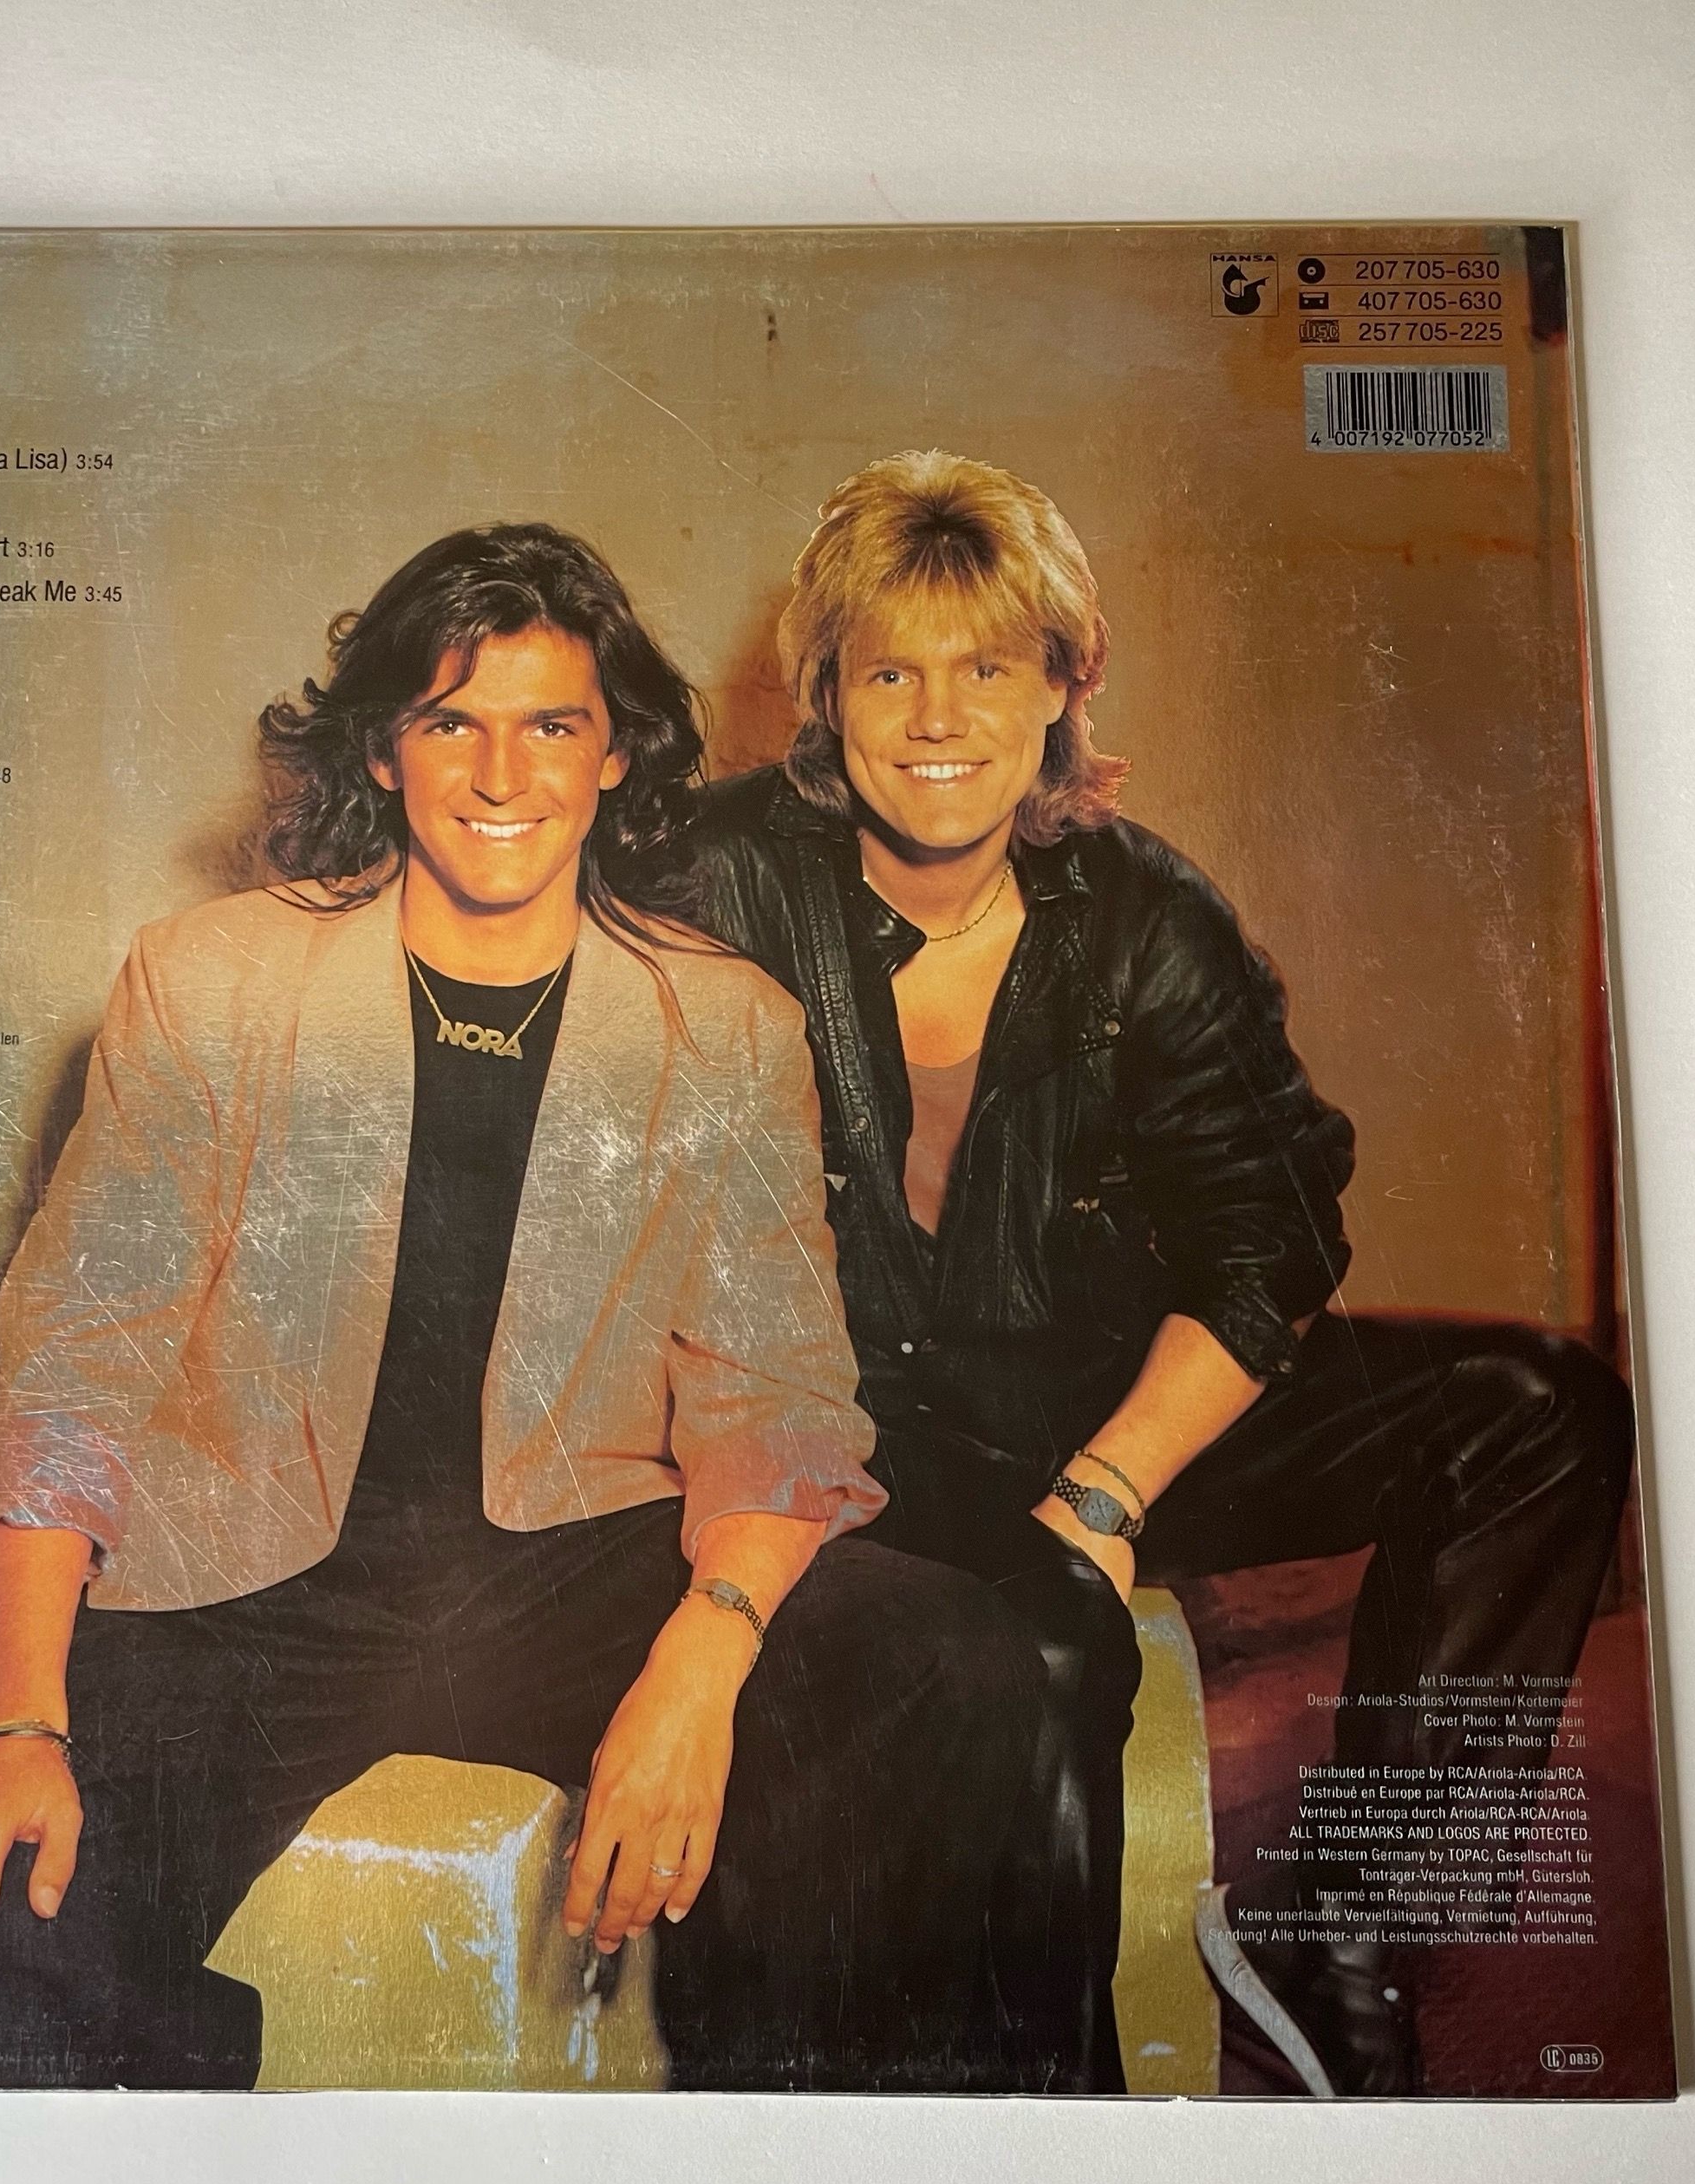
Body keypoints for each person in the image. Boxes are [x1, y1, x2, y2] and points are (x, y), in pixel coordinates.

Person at [0, 520, 1060, 2092]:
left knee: (952, 1657)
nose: (502, 773)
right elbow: (76, 1369)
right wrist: (13, 1721)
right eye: (451, 722)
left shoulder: (727, 1027)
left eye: (553, 725)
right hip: (248, 1588)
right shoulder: (207, 982)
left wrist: (702, 1662)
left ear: (615, 757)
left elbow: (777, 1404)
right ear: (385, 752)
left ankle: (784, 2141)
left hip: (567, 1561)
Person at [681, 451, 1637, 2096]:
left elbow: (1273, 1234)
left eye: (991, 667)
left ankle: (1346, 1920)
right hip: (847, 1448)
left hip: (1100, 1412)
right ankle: (1065, 2126)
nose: (939, 717)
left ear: (1064, 685)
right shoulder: (714, 878)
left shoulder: (1144, 914)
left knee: (1539, 1404)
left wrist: (1109, 1490)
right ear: (823, 696)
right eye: (890, 673)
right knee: (1052, 1648)